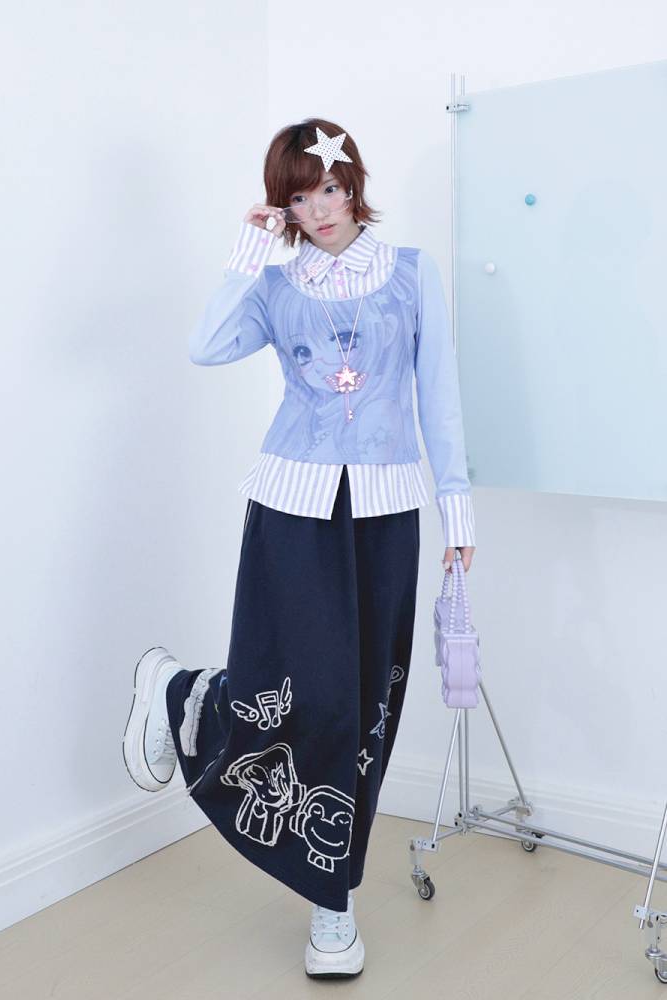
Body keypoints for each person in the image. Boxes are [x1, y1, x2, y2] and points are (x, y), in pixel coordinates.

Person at [122, 117, 476, 979]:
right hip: (292, 505)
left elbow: (439, 394)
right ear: (281, 205)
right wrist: (249, 252)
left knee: (363, 704)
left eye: (330, 188)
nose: (319, 210)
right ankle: (181, 691)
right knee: (294, 693)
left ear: (353, 183)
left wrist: (457, 512)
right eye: (299, 197)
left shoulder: (411, 274)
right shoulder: (275, 285)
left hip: (386, 510)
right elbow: (205, 347)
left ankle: (331, 900)